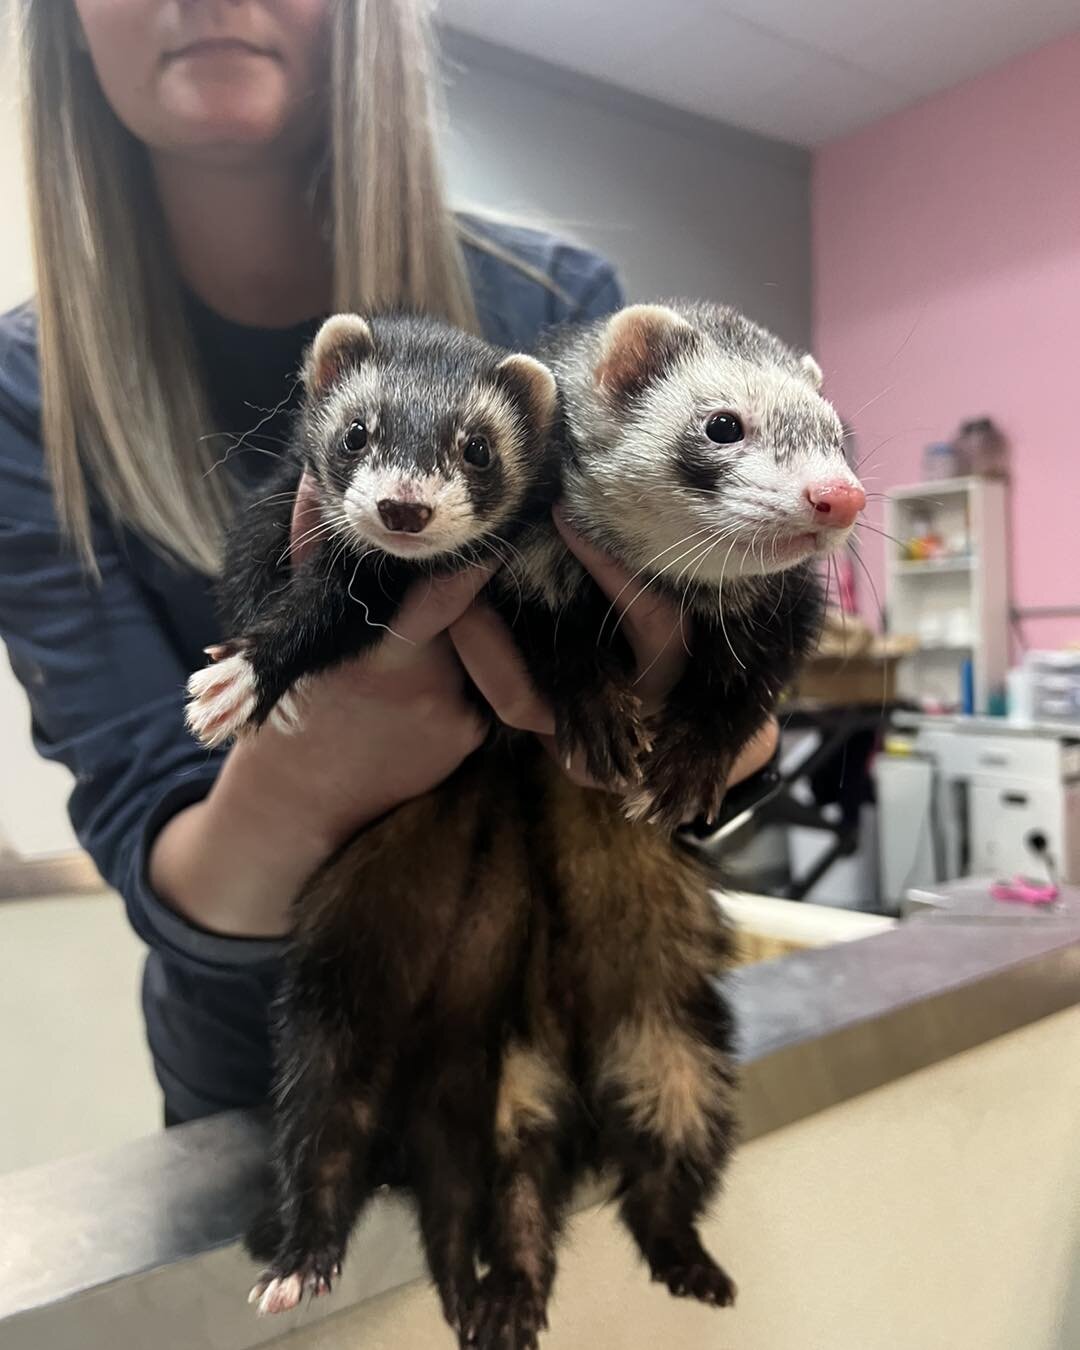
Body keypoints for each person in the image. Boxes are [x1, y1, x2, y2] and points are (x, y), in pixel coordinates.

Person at [0, 0, 778, 1126]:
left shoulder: (556, 309)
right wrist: (317, 755)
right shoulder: (28, 401)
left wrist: (713, 719)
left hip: (543, 1033)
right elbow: (155, 842)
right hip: (274, 1072)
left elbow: (693, 773)